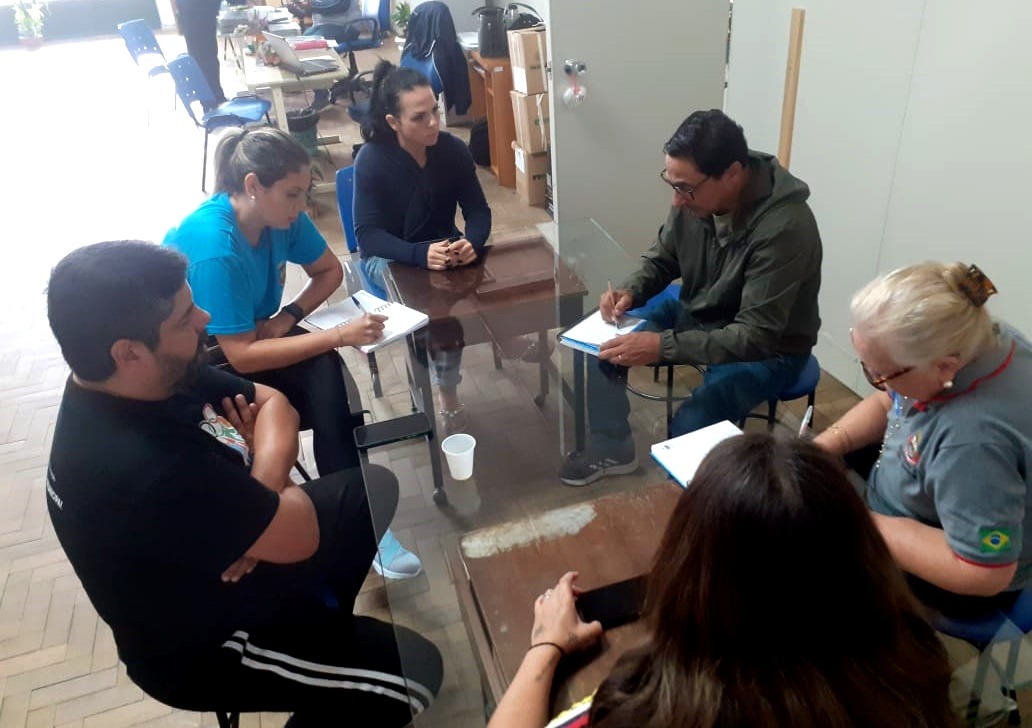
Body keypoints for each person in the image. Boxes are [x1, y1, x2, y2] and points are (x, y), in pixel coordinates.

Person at [45, 241, 442, 726]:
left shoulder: (136, 380)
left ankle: (323, 635)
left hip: (235, 559)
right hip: (211, 642)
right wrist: (259, 474)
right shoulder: (144, 468)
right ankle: (322, 659)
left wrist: (256, 487)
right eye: (185, 316)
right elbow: (300, 537)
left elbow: (276, 402)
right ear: (129, 352)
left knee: (368, 489)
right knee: (414, 673)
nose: (205, 319)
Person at [489, 434, 957, 728]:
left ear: (687, 573)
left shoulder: (649, 705)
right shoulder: (916, 674)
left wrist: (546, 648)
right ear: (862, 558)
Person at [164, 126, 422, 580]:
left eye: (305, 193)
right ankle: (324, 518)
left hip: (255, 337)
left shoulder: (280, 215)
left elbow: (328, 271)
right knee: (328, 367)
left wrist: (290, 315)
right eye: (292, 195)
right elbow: (240, 356)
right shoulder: (214, 247)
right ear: (251, 186)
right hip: (204, 361)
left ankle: (355, 519)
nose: (303, 207)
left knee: (333, 387)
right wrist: (339, 334)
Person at [560, 108, 822, 486]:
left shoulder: (785, 228)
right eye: (673, 185)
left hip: (770, 348)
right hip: (699, 309)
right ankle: (613, 446)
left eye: (686, 188)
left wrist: (662, 347)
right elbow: (664, 256)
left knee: (690, 427)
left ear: (732, 173)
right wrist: (631, 291)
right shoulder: (696, 196)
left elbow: (755, 335)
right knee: (598, 346)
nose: (678, 200)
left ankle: (698, 516)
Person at [814, 262, 1032, 616]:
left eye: (879, 373)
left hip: (961, 578)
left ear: (944, 367)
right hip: (929, 488)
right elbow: (891, 400)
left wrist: (856, 521)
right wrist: (825, 446)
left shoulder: (972, 443)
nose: (874, 379)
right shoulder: (979, 337)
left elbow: (984, 572)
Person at [353, 60, 491, 423]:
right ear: (393, 122)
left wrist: (472, 242)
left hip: (442, 247)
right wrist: (417, 253)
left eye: (435, 111)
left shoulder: (452, 150)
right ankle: (437, 388)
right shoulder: (372, 159)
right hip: (389, 254)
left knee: (472, 293)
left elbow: (478, 211)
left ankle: (450, 378)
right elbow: (367, 236)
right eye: (419, 117)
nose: (433, 122)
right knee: (433, 308)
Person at [175, 0, 226, 109]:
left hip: (196, 14)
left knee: (207, 58)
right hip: (197, 15)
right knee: (205, 60)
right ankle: (210, 103)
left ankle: (215, 98)